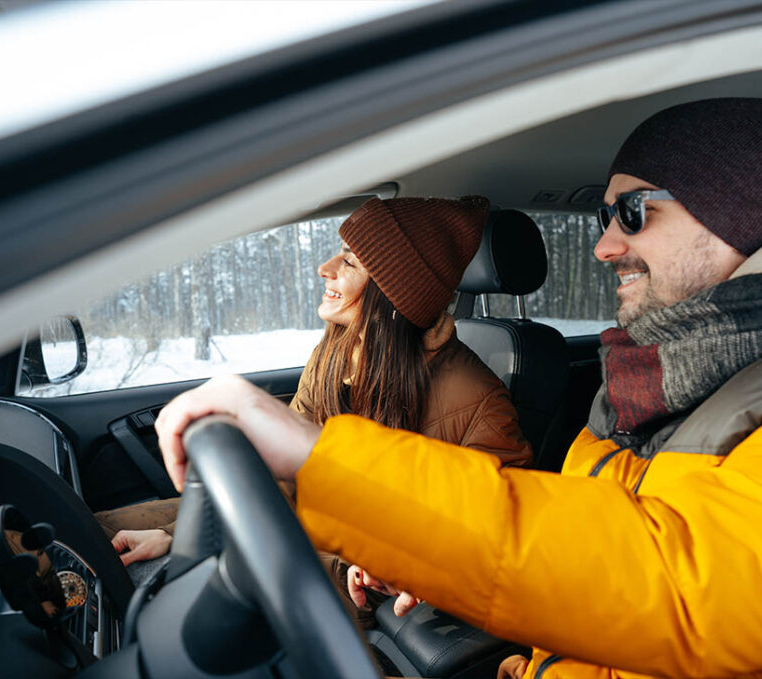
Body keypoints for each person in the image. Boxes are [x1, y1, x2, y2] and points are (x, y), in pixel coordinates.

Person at [153, 99, 762, 679]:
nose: (603, 250)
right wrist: (435, 565)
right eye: (601, 219)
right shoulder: (651, 381)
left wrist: (319, 457)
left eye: (634, 214)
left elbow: (681, 585)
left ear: (737, 212)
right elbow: (588, 554)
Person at [98, 195, 532, 621]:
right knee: (92, 535)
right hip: (289, 524)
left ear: (393, 295)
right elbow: (283, 476)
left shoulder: (479, 401)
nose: (325, 269)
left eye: (350, 262)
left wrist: (395, 563)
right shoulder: (333, 355)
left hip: (359, 582)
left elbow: (498, 536)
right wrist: (178, 536)